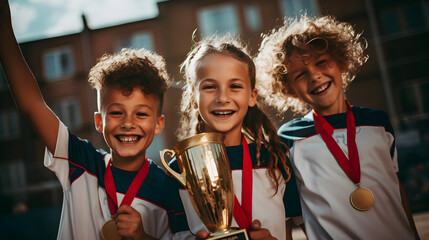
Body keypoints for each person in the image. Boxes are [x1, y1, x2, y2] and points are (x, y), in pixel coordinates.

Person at [0, 1, 172, 239]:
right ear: (98, 121)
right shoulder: (80, 160)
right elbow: (32, 105)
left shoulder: (170, 188)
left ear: (159, 124)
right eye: (115, 112)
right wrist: (4, 28)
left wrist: (141, 236)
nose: (128, 122)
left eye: (141, 113)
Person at [255, 15, 421, 239]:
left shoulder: (378, 121)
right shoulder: (288, 139)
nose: (314, 75)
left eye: (321, 62)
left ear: (341, 61)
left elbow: (396, 187)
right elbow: (291, 213)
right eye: (300, 74)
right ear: (289, 88)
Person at [164, 35, 301, 240]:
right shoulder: (179, 168)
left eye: (235, 86)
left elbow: (289, 229)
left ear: (252, 96)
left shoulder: (276, 157)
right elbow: (176, 234)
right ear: (193, 99)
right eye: (209, 87)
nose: (222, 98)